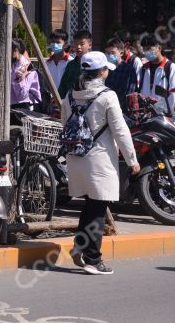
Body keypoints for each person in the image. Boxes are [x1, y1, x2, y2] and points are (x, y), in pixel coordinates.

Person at [63, 51, 140, 275]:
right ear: (102, 73)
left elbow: (64, 124)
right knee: (98, 207)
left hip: (76, 156)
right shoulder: (108, 96)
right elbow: (120, 131)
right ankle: (93, 260)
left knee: (91, 204)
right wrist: (132, 159)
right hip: (99, 159)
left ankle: (79, 246)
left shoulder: (69, 94)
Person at [139, 36, 175, 115]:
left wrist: (164, 109)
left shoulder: (170, 67)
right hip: (146, 114)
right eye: (144, 49)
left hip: (164, 115)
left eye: (149, 48)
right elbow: (140, 90)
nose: (146, 52)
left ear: (159, 48)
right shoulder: (144, 68)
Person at [103, 37, 137, 110]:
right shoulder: (104, 68)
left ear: (121, 53)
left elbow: (129, 93)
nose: (109, 55)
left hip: (121, 110)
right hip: (104, 107)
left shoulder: (129, 69)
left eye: (112, 53)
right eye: (107, 53)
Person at [58, 30, 92, 98]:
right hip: (71, 103)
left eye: (82, 44)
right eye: (76, 44)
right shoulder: (70, 65)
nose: (78, 47)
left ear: (90, 45)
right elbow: (63, 86)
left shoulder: (95, 64)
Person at [10, 39, 41, 110]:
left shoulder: (27, 68)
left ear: (15, 51)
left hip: (22, 107)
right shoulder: (12, 65)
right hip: (10, 104)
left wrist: (21, 80)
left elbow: (23, 96)